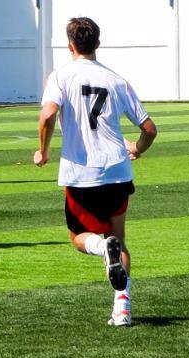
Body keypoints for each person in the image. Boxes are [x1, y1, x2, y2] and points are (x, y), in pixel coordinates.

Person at [33, 17, 158, 326]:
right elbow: (150, 129)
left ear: (70, 45)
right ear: (98, 44)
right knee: (120, 238)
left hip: (80, 172)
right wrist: (137, 148)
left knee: (78, 237)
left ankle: (102, 249)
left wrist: (44, 150)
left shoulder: (60, 76)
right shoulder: (117, 80)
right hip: (117, 170)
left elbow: (48, 114)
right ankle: (122, 309)